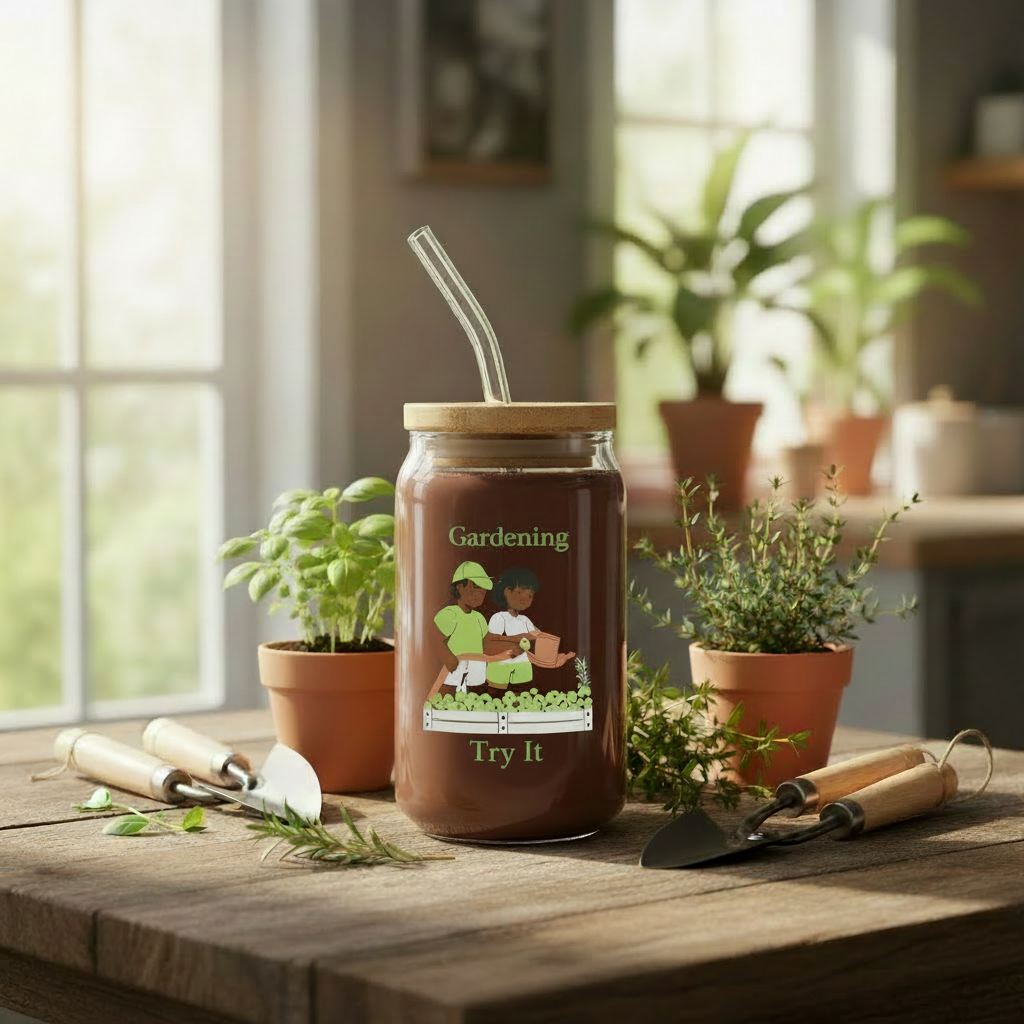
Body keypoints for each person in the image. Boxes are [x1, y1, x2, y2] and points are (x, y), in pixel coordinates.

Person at [484, 566, 574, 695]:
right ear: (507, 592)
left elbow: (539, 639)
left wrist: (557, 658)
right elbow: (492, 642)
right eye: (520, 592)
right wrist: (518, 640)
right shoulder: (499, 617)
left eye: (530, 595)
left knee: (521, 696)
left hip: (522, 664)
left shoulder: (525, 620)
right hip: (500, 664)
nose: (526, 598)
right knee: (496, 695)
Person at [433, 561, 512, 693]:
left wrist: (510, 647)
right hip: (455, 676)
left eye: (483, 589)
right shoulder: (450, 614)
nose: (480, 593)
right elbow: (435, 636)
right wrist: (448, 658)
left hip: (477, 676)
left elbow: (488, 642)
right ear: (459, 587)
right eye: (476, 586)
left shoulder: (479, 618)